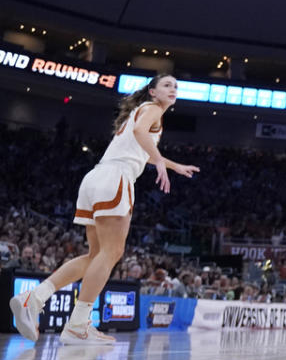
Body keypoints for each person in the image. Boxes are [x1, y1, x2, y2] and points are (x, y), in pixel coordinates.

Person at [8, 75, 198, 344]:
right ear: (153, 92)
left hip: (97, 177)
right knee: (112, 252)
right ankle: (77, 324)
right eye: (167, 85)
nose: (173, 89)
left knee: (95, 255)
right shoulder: (152, 110)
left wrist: (172, 164)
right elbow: (140, 134)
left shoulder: (141, 112)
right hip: (116, 178)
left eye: (176, 86)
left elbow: (140, 145)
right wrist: (158, 163)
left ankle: (35, 298)